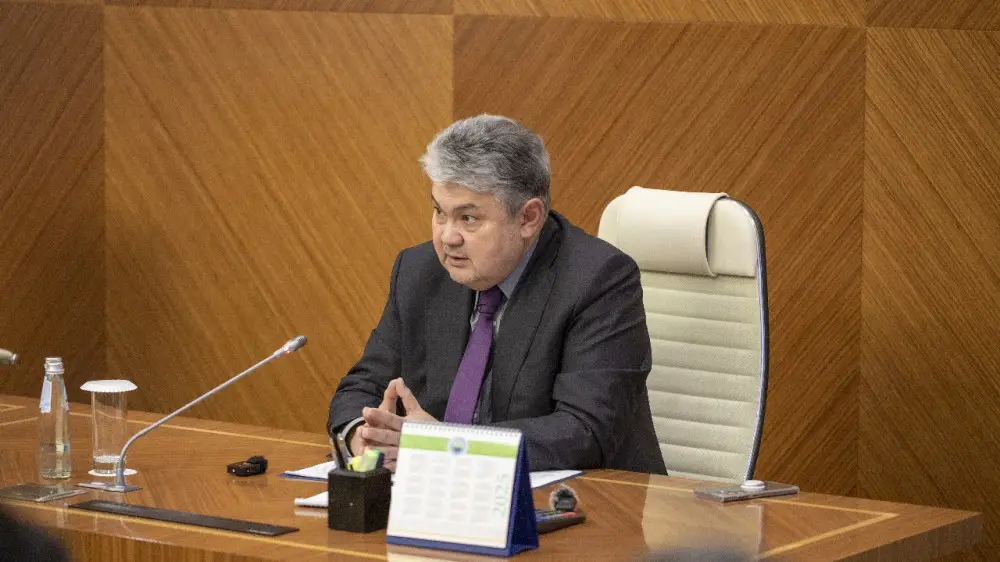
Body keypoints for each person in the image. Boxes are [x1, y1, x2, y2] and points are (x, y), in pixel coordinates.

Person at [327, 114, 665, 474]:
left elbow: (585, 431)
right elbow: (362, 386)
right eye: (439, 212)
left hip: (586, 498)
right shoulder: (419, 271)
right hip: (439, 491)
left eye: (468, 218)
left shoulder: (597, 280)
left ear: (528, 218)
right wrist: (364, 435)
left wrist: (446, 446)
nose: (447, 237)